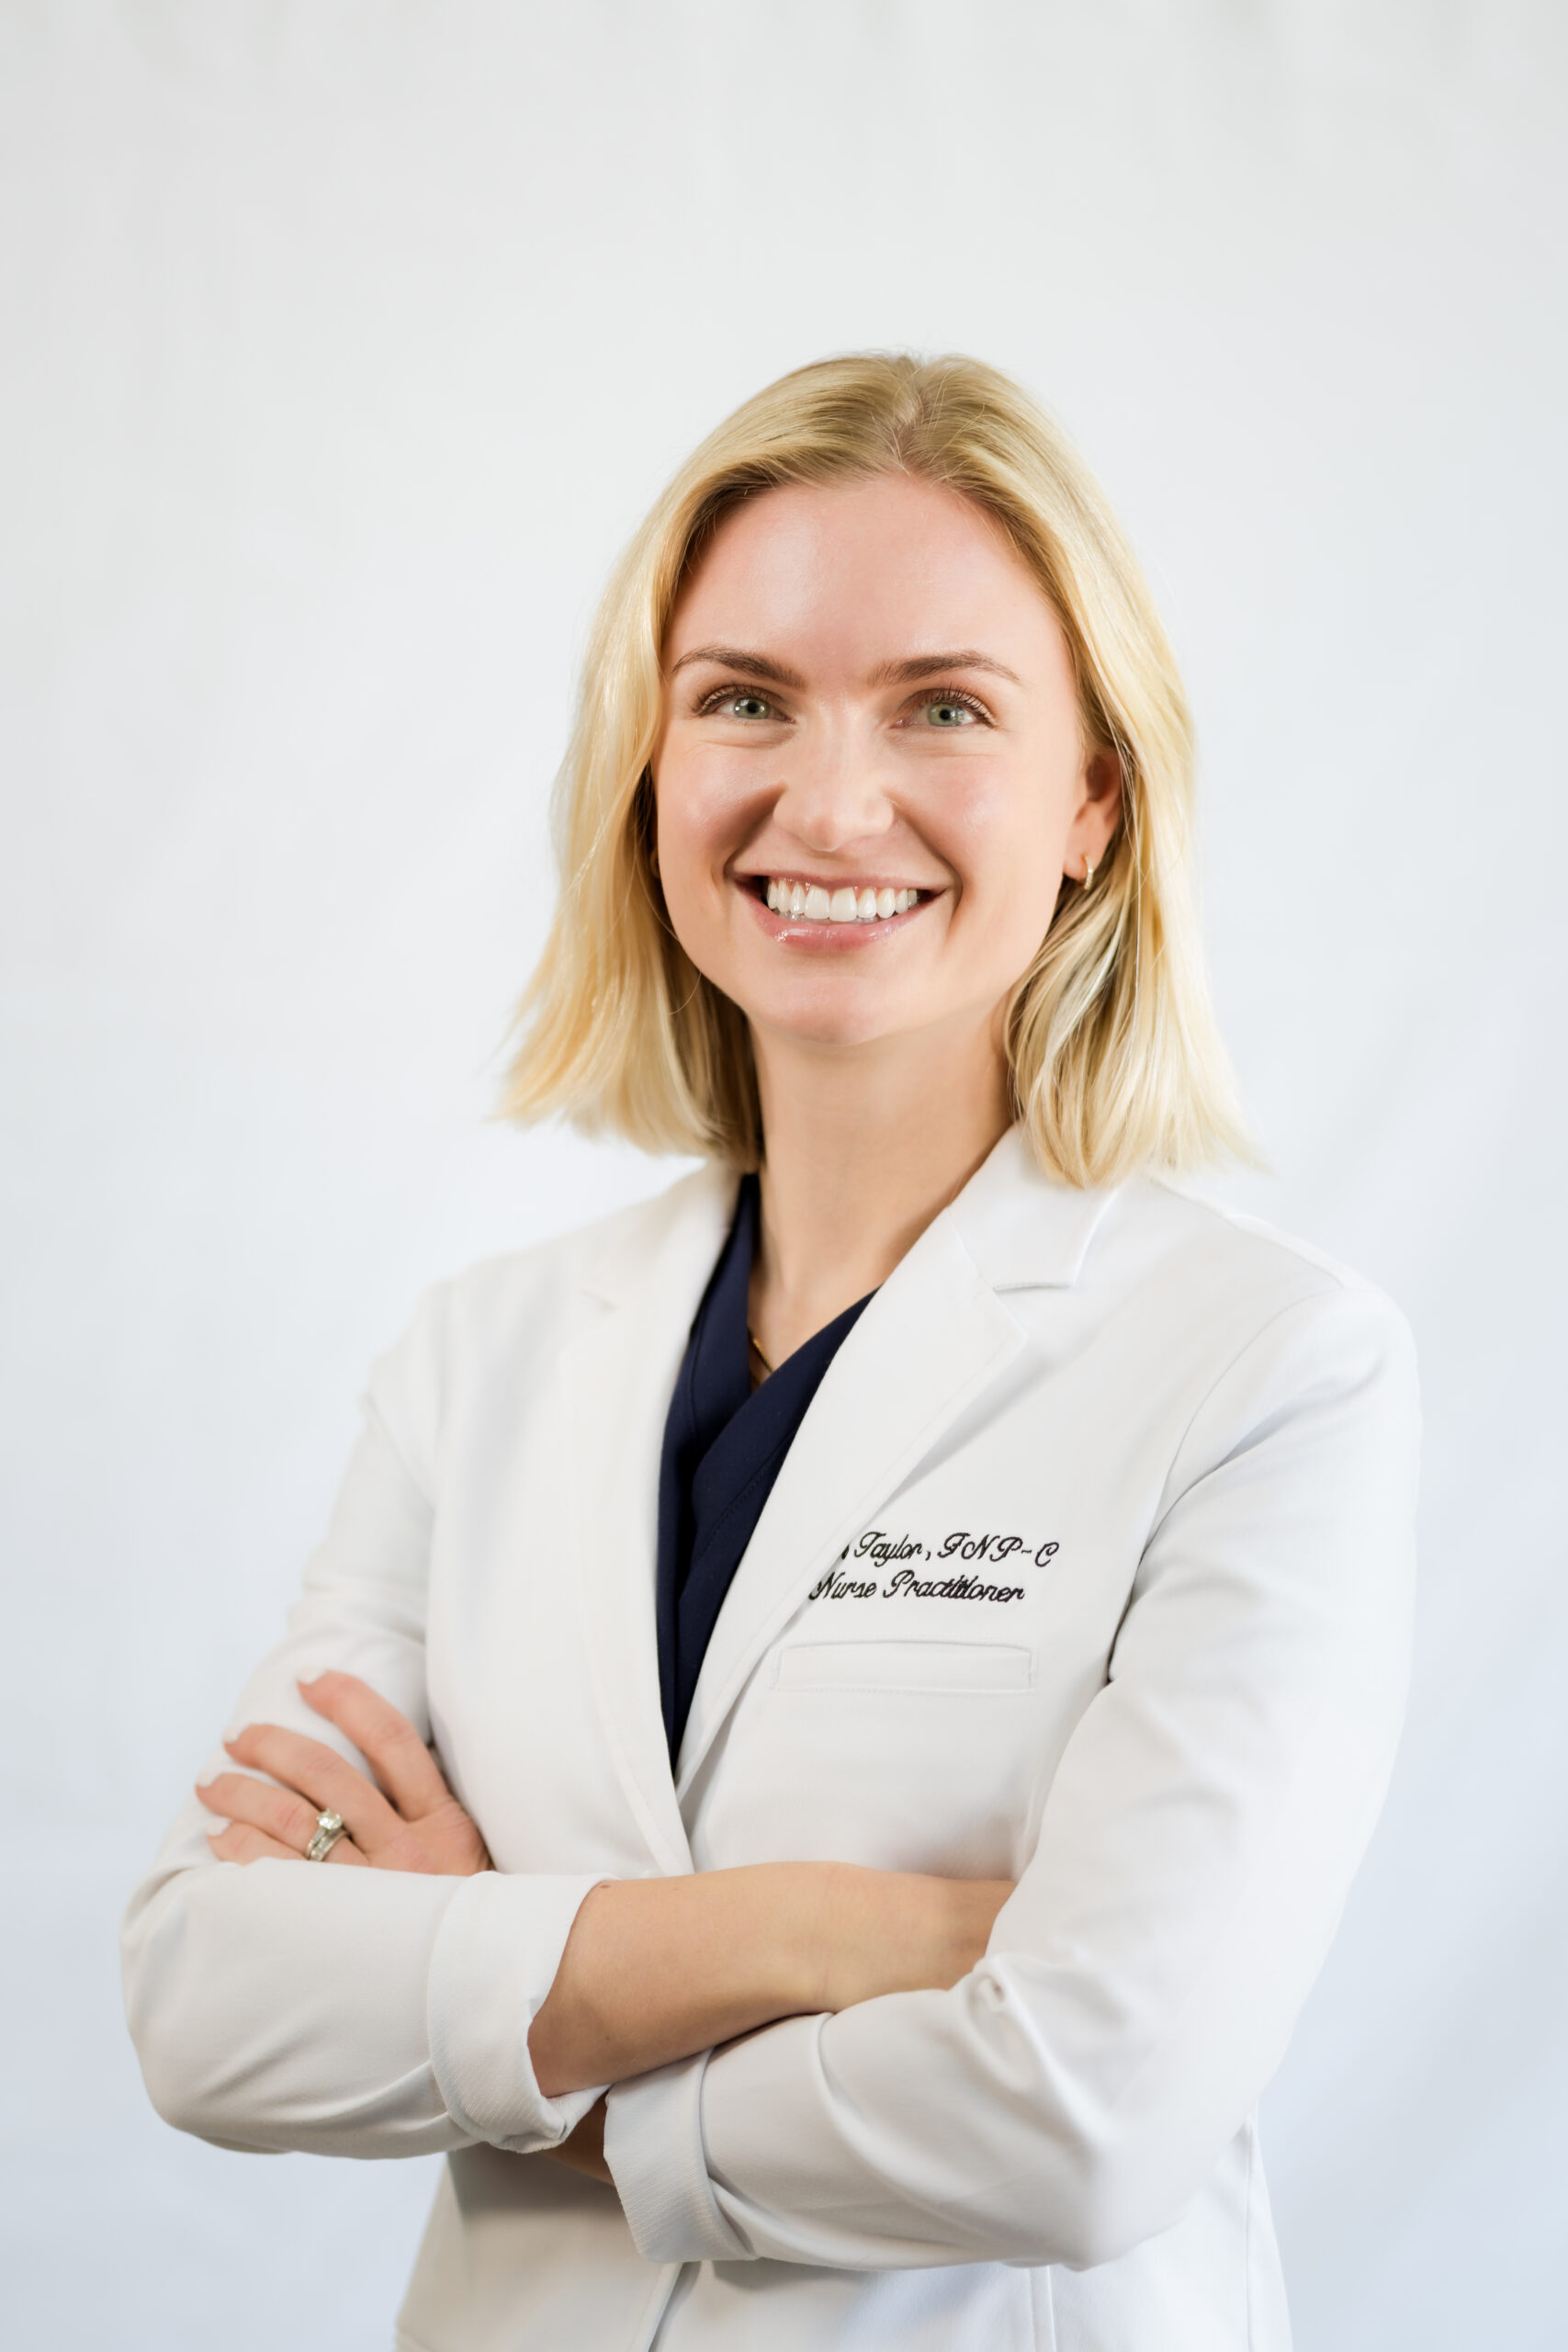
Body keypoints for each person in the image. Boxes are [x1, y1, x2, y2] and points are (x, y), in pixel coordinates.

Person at [121, 352, 1420, 2352]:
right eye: (742, 697)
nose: (826, 802)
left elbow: (1081, 2119)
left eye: (943, 708)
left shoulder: (1265, 1372)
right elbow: (207, 1997)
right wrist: (822, 1933)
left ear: (1092, 800)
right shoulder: (483, 1358)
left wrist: (489, 1988)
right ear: (647, 766)